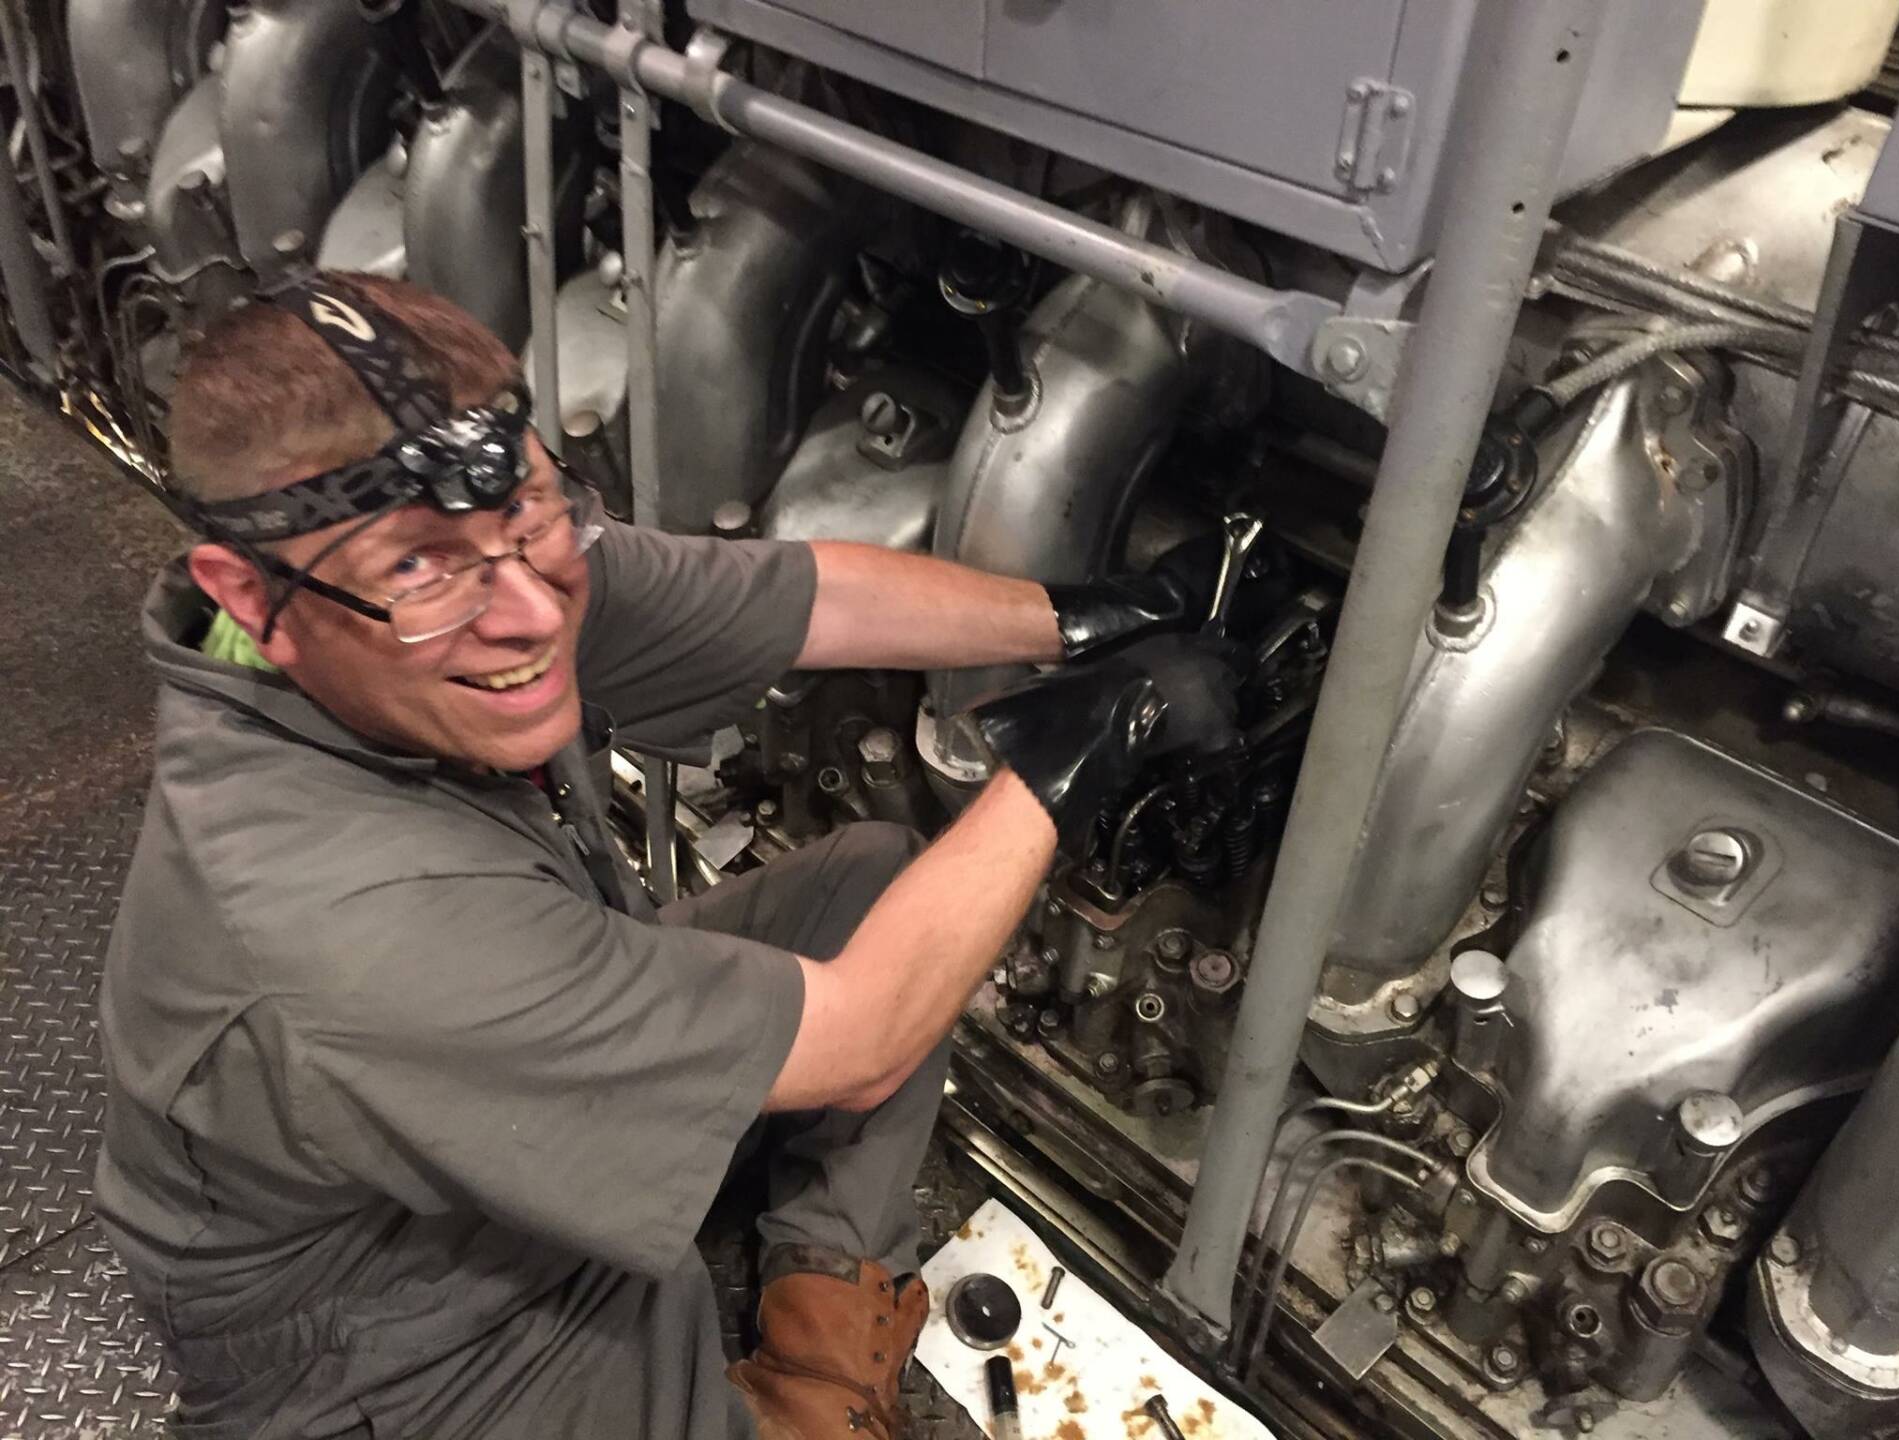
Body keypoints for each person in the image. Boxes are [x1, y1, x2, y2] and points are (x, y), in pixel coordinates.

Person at [95, 272, 1229, 1440]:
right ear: (251, 593)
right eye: (421, 568)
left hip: (476, 1136)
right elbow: (864, 1033)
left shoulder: (468, 580)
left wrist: (1092, 616)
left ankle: (820, 1345)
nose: (532, 614)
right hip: (400, 1337)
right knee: (844, 1032)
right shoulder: (334, 919)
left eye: (533, 513)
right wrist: (1086, 743)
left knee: (882, 889)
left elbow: (812, 601)